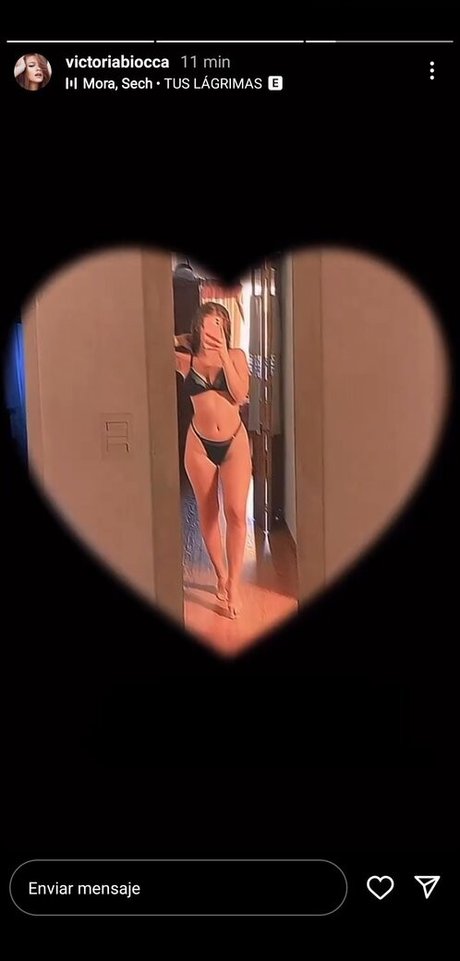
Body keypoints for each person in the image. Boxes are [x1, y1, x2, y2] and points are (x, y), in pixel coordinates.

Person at [174, 302, 251, 618]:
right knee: (208, 513)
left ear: (226, 329)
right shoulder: (186, 360)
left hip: (234, 442)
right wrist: (182, 339)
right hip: (199, 446)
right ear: (198, 327)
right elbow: (149, 343)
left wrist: (223, 357)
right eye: (208, 323)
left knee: (236, 513)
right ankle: (221, 574)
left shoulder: (236, 356)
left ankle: (234, 584)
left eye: (220, 324)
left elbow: (240, 394)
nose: (214, 330)